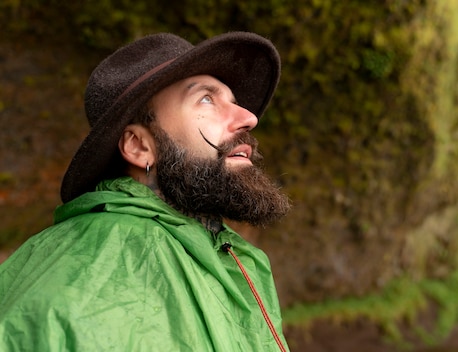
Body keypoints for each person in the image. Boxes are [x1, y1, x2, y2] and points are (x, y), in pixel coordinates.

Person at [0, 32, 292, 351]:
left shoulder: (237, 256)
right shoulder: (84, 273)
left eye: (234, 102)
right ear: (139, 146)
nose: (248, 118)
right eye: (206, 99)